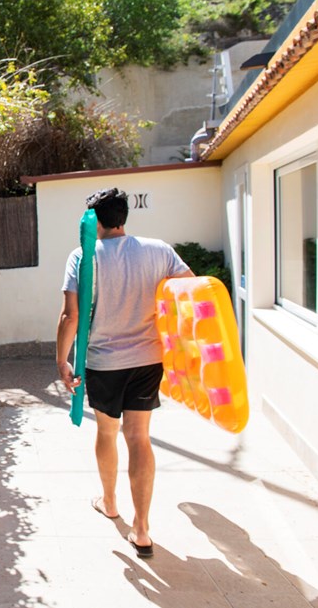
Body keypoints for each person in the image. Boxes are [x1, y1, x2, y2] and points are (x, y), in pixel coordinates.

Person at [55, 188, 193, 559]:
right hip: (149, 360)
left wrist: (62, 361)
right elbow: (190, 290)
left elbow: (71, 315)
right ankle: (142, 528)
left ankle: (111, 502)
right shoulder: (159, 250)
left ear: (93, 220)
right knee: (139, 437)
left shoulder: (82, 256)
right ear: (123, 217)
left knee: (107, 431)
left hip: (103, 362)